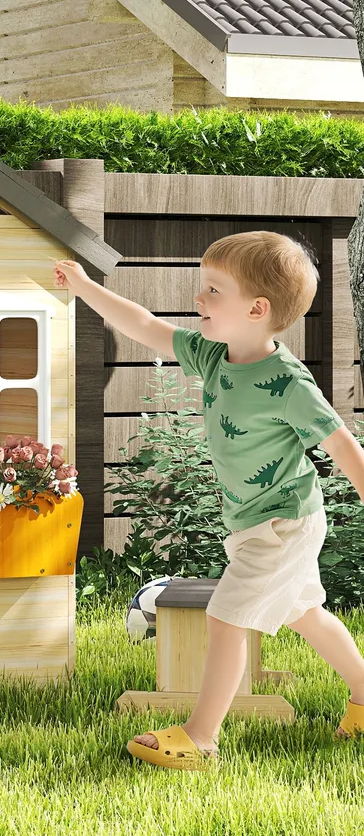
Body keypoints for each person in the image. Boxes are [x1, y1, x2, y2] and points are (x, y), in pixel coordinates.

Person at [55, 231, 364, 770]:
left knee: (226, 618)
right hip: (254, 522)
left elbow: (342, 444)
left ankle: (201, 737)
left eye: (213, 290)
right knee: (306, 614)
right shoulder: (215, 356)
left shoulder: (288, 382)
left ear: (256, 309)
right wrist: (85, 287)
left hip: (284, 523)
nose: (199, 300)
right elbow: (145, 325)